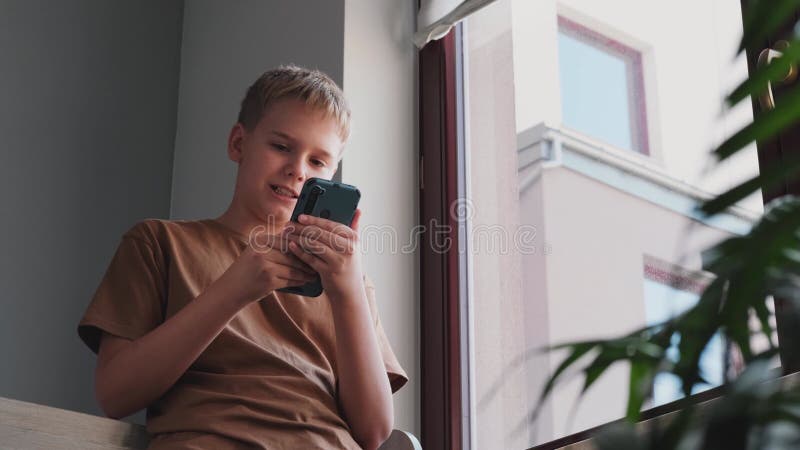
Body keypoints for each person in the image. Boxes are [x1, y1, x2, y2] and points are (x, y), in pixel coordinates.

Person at [77, 65, 408, 450]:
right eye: (281, 147)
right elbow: (115, 395)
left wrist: (349, 292)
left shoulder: (345, 280)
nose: (297, 170)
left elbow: (374, 431)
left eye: (317, 163)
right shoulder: (159, 243)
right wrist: (234, 289)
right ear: (238, 144)